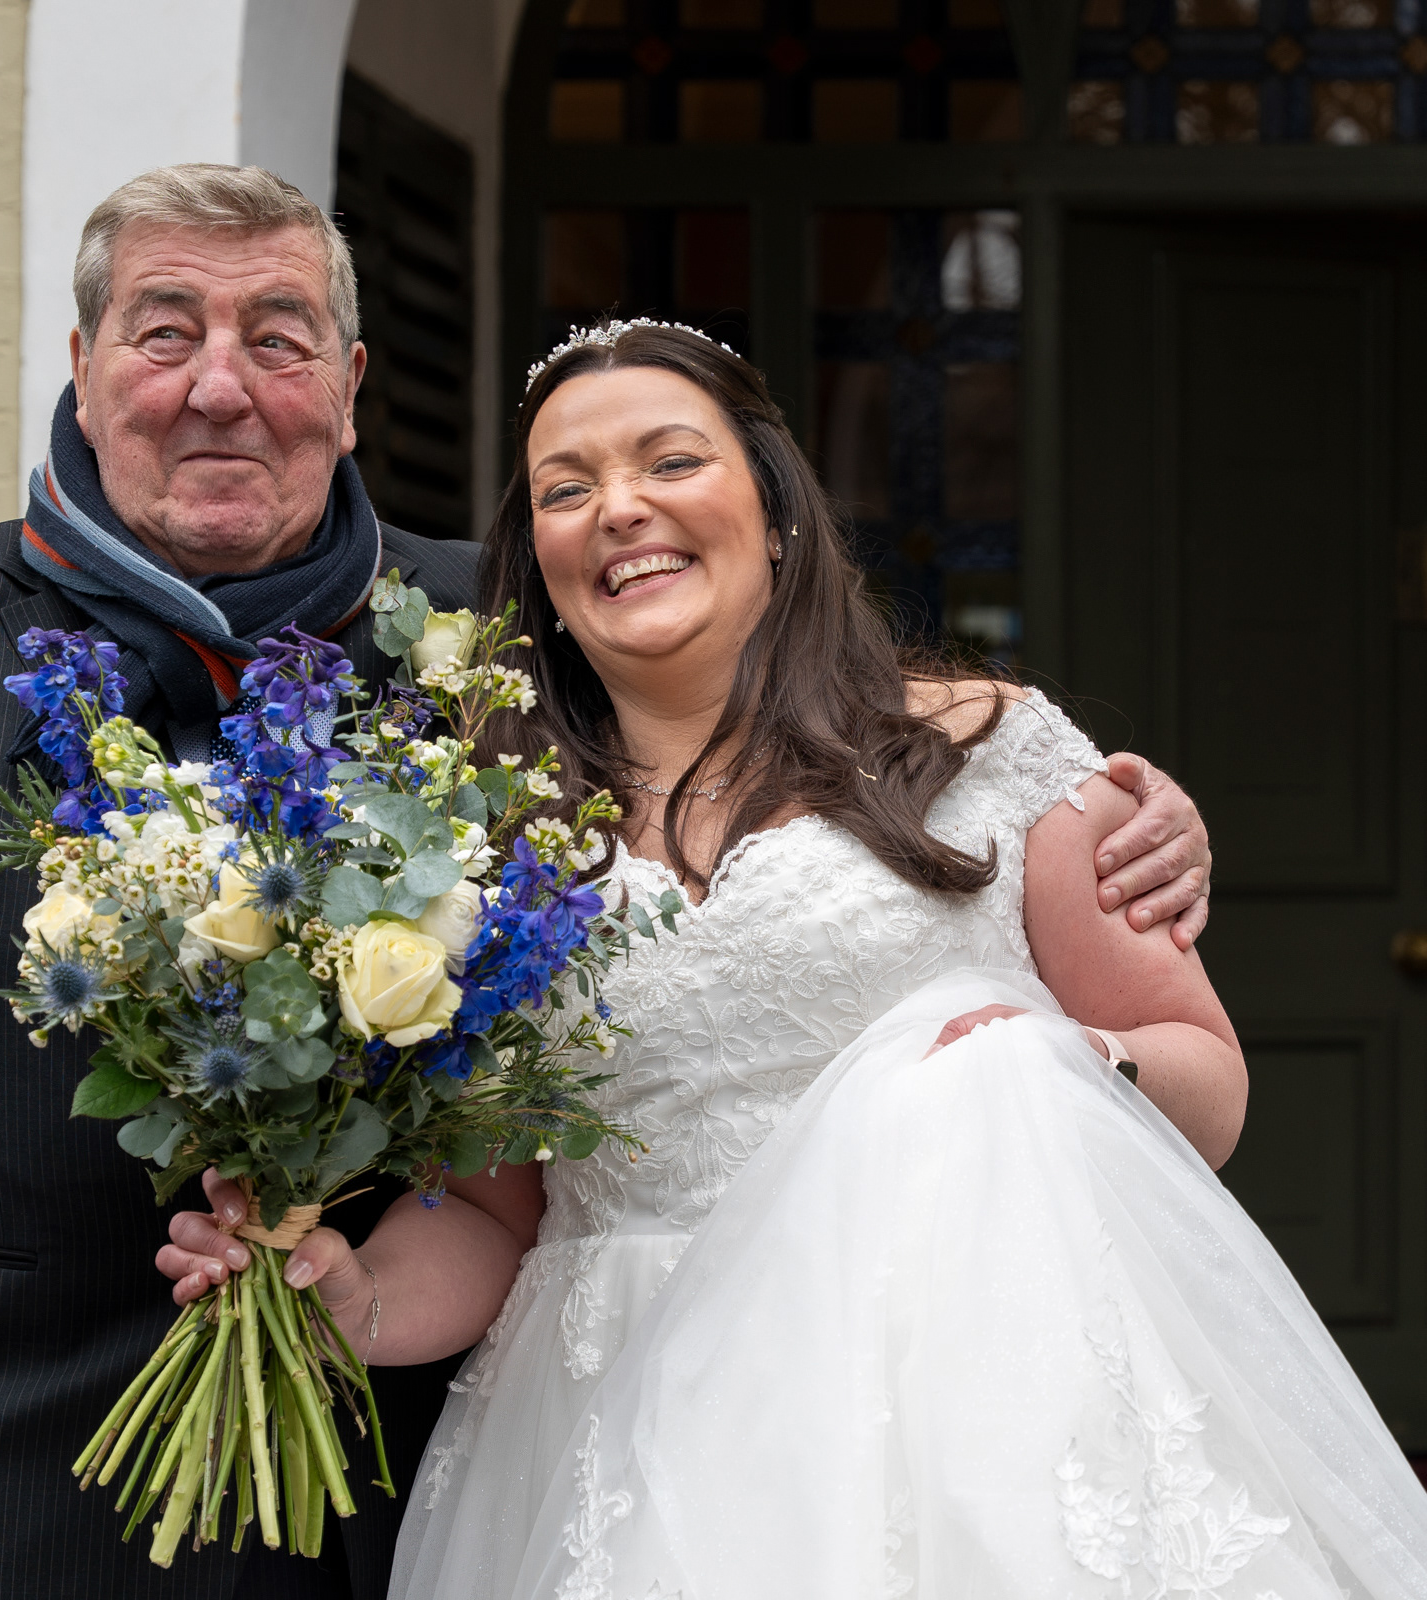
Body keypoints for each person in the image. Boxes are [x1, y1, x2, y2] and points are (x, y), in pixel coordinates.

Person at [155, 321, 1425, 1600]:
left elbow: (1205, 1074)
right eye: (566, 488)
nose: (620, 508)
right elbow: (495, 1216)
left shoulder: (990, 752)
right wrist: (355, 1298)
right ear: (535, 561)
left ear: (776, 513)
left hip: (969, 1404)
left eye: (670, 461)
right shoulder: (482, 844)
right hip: (625, 1430)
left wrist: (1066, 1066)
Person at [0, 164, 494, 1600]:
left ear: (351, 388)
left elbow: (749, 744)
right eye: (165, 332)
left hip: (386, 1508)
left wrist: (1000, 786)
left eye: (278, 338)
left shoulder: (488, 631)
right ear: (82, 371)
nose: (219, 387)